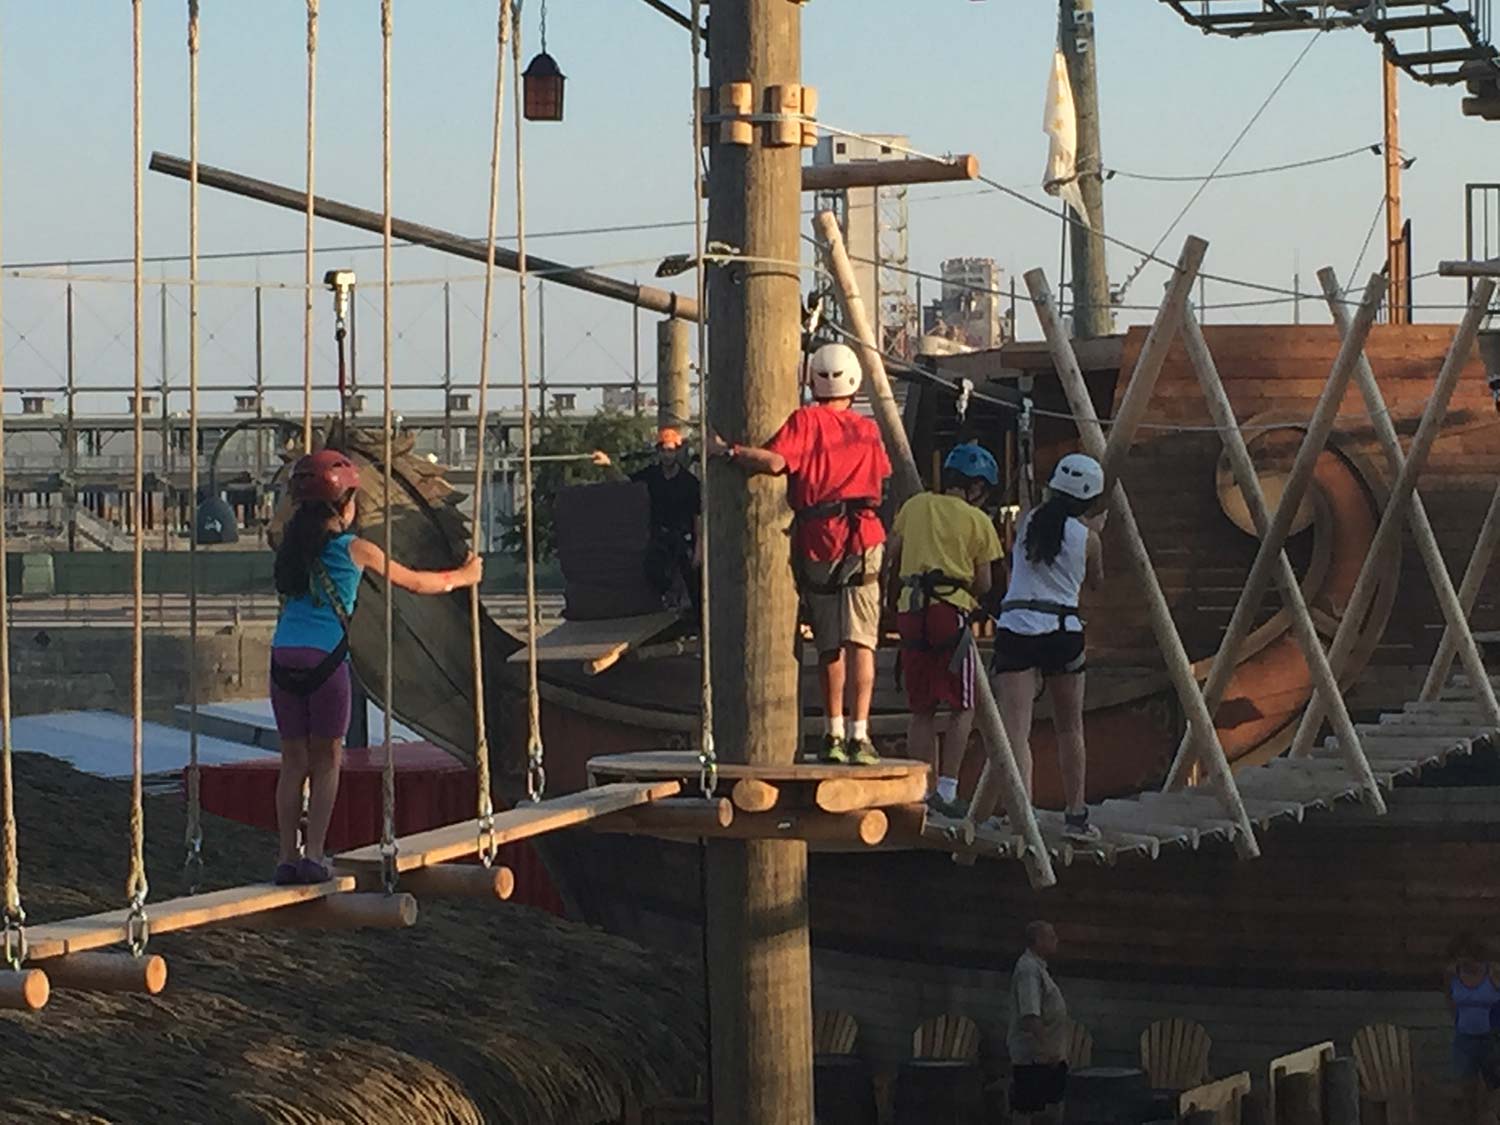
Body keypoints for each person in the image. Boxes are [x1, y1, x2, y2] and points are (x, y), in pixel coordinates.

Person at [269, 449, 482, 885]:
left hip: (282, 656)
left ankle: (286, 857)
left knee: (293, 761)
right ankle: (314, 856)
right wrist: (465, 576)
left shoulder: (289, 550)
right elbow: (417, 583)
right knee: (327, 759)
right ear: (347, 506)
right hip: (325, 659)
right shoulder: (355, 549)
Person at [709, 342, 892, 766]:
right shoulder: (867, 430)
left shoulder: (805, 420)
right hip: (865, 538)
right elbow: (883, 472)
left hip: (819, 540)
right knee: (862, 642)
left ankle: (832, 733)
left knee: (829, 645)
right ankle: (860, 735)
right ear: (854, 382)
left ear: (812, 380)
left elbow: (775, 463)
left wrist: (728, 451)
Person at [991, 453, 1107, 844]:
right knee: (1070, 727)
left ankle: (1020, 814)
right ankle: (1076, 814)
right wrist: (1094, 532)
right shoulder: (1089, 540)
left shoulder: (1027, 522)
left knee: (1016, 730)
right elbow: (1096, 584)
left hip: (1017, 625)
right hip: (1062, 630)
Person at [886, 442, 1005, 817]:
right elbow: (985, 583)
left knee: (921, 707)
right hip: (948, 612)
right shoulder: (978, 521)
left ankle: (921, 790)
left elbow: (891, 552)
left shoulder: (915, 506)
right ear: (977, 487)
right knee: (961, 703)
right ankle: (948, 790)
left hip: (910, 609)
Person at [594, 427, 702, 614]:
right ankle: (666, 600)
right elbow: (625, 483)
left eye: (671, 450)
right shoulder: (652, 476)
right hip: (659, 538)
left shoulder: (689, 482)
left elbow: (697, 516)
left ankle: (691, 614)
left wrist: (699, 549)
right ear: (658, 452)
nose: (667, 455)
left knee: (693, 582)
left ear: (677, 452)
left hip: (683, 539)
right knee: (652, 570)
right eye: (664, 451)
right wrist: (608, 465)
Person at [1008, 919, 1069, 1124]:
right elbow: (1030, 1016)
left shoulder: (1039, 968)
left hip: (1048, 1056)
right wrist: (1048, 1049)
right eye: (1052, 937)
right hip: (1034, 1057)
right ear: (1038, 940)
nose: (1056, 940)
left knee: (1053, 1105)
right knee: (1027, 1108)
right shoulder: (1028, 970)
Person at [1445, 933, 1500, 1123]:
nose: (1463, 962)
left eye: (1466, 958)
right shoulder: (1452, 974)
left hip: (1491, 1037)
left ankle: (1489, 1116)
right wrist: (1458, 1020)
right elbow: (1450, 999)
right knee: (1466, 1088)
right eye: (1458, 958)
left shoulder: (1493, 972)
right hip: (1464, 1039)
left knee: (1494, 1085)